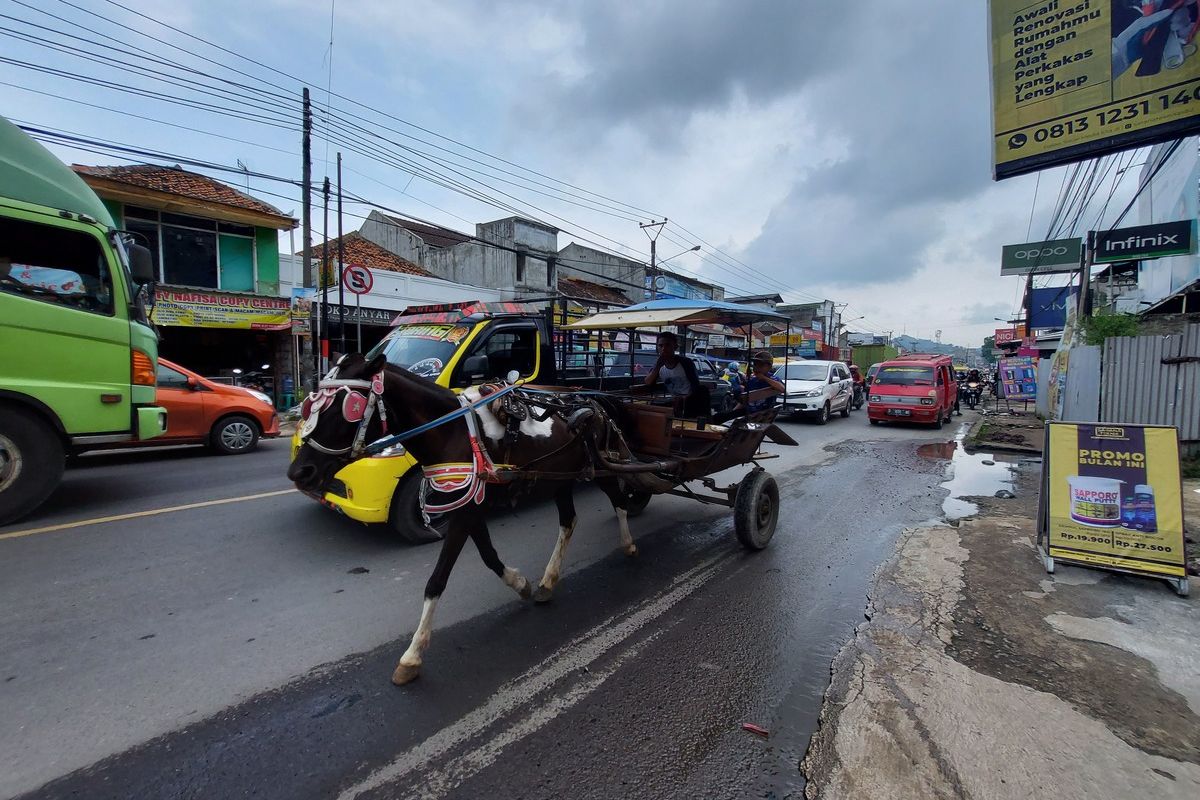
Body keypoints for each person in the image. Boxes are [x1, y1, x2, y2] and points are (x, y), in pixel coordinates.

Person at [644, 331, 708, 416]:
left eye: (667, 345)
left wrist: (684, 398)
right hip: (674, 400)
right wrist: (657, 367)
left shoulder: (685, 362)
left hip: (690, 400)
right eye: (660, 346)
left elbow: (695, 385)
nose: (663, 348)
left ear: (675, 347)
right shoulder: (659, 364)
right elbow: (648, 382)